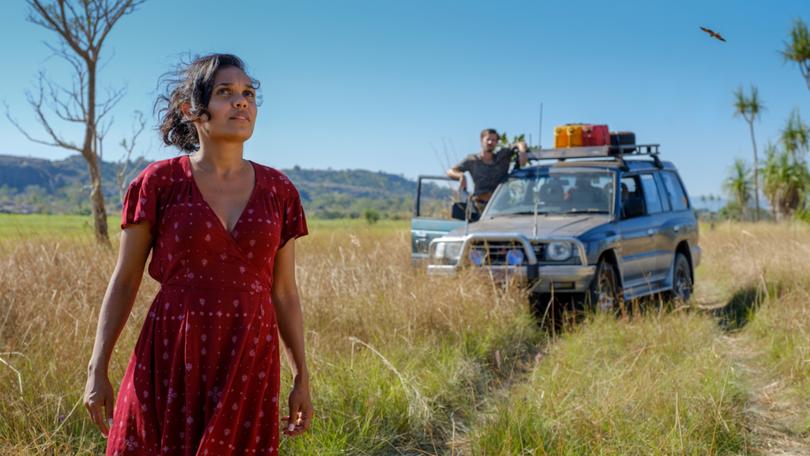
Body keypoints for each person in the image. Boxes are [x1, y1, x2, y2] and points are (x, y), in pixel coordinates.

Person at [82, 54, 313, 455]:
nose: (241, 102)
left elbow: (285, 293)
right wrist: (97, 368)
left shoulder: (280, 191)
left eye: (248, 94)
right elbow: (125, 279)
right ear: (193, 110)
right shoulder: (159, 183)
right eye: (225, 92)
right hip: (172, 353)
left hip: (249, 355)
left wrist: (301, 377)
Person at [447, 128, 529, 211]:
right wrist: (461, 176)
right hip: (480, 206)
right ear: (481, 141)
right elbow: (450, 171)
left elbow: (520, 143)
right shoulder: (472, 160)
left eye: (493, 140)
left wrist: (522, 151)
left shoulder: (502, 156)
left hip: (501, 207)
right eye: (488, 139)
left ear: (496, 143)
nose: (490, 142)